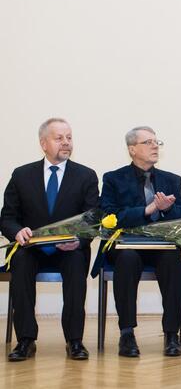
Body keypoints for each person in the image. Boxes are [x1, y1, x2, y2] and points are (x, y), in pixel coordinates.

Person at [1, 118, 99, 361]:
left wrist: (79, 240)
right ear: (43, 143)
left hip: (69, 248)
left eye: (69, 137)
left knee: (77, 262)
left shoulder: (86, 176)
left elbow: (93, 219)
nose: (66, 143)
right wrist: (16, 232)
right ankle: (25, 340)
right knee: (21, 263)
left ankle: (74, 340)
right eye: (59, 138)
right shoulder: (22, 174)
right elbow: (7, 217)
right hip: (31, 248)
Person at [97, 126, 181, 358]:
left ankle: (171, 334)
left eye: (157, 142)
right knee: (127, 260)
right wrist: (147, 210)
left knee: (174, 262)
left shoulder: (171, 179)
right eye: (148, 142)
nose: (155, 146)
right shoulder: (113, 179)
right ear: (132, 149)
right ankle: (127, 333)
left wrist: (167, 210)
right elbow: (109, 216)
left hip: (162, 245)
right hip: (126, 246)